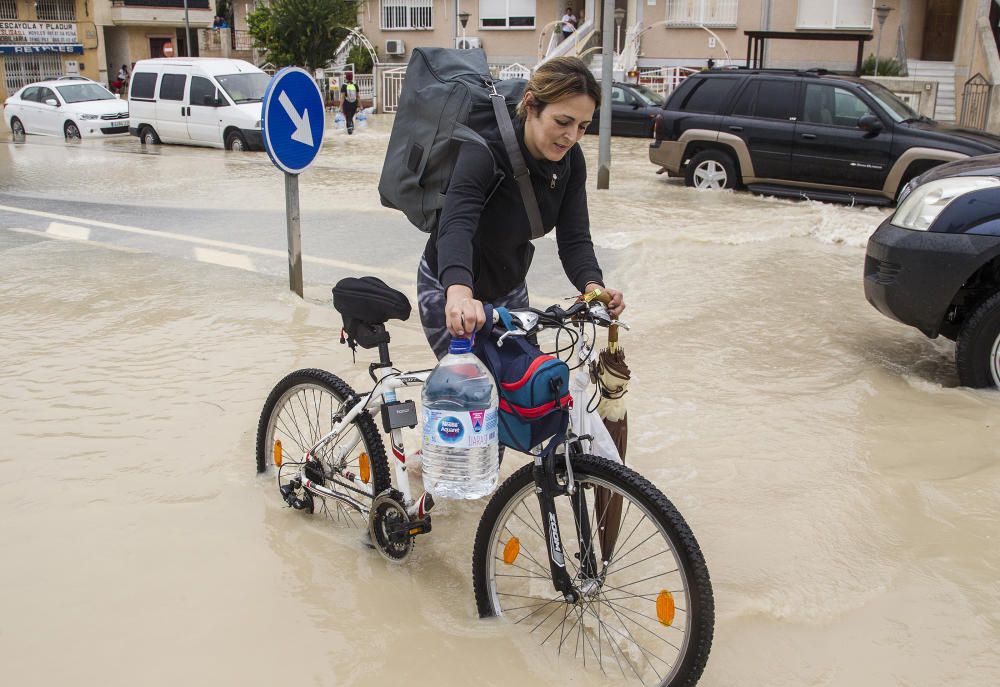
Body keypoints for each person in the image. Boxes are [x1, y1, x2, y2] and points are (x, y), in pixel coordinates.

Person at [417, 57, 625, 360]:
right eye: (563, 122)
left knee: (531, 390)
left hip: (510, 286)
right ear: (531, 105)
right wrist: (460, 293)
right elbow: (455, 226)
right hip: (450, 285)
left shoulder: (571, 160)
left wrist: (594, 290)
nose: (572, 136)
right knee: (475, 395)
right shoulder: (483, 149)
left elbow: (575, 238)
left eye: (583, 126)